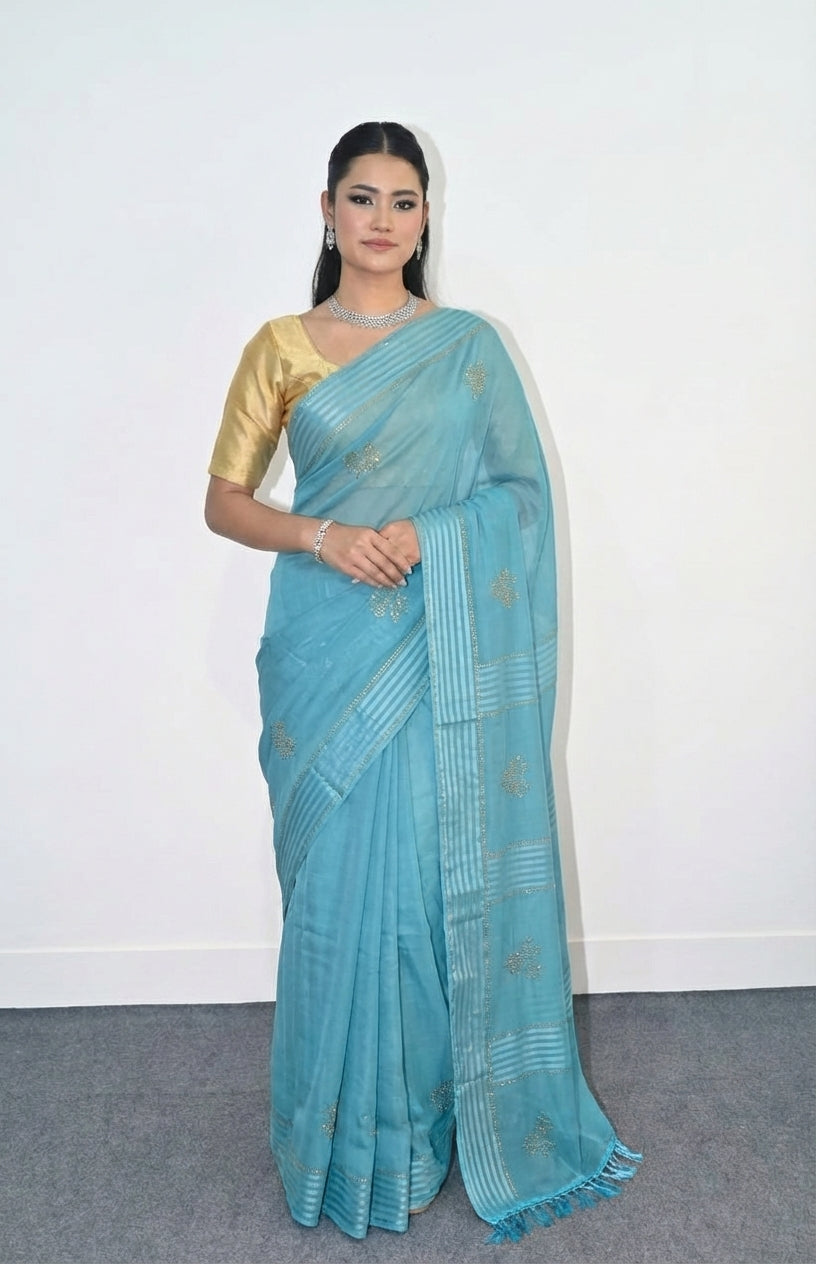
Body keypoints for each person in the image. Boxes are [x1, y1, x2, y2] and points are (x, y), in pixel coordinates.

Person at [205, 121, 641, 1243]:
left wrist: (425, 533)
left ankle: (416, 1130)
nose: (383, 220)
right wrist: (323, 537)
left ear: (425, 216)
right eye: (363, 198)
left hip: (432, 643)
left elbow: (519, 497)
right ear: (327, 210)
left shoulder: (466, 347)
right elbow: (224, 502)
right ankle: (338, 1137)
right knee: (333, 897)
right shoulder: (280, 348)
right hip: (324, 649)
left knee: (417, 889)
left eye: (404, 201)